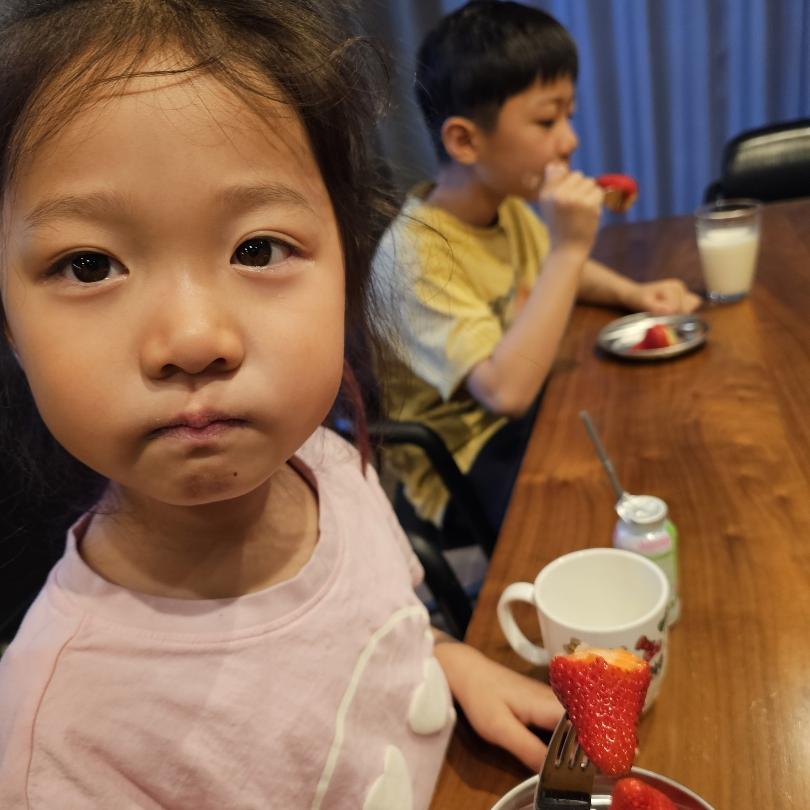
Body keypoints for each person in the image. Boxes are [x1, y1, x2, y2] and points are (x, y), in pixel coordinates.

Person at [0, 2, 564, 807]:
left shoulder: (330, 465)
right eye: (89, 265)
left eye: (257, 249)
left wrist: (451, 662)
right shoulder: (61, 744)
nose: (193, 339)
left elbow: (387, 628)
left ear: (347, 267)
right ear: (10, 325)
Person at [373, 1, 702, 537]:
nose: (570, 140)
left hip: (529, 407)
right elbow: (505, 394)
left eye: (568, 115)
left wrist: (636, 294)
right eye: (548, 120)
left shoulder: (504, 206)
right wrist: (570, 247)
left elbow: (551, 272)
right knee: (600, 502)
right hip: (463, 461)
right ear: (464, 140)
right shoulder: (416, 253)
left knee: (651, 423)